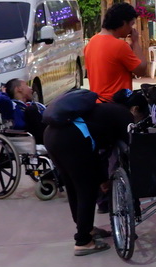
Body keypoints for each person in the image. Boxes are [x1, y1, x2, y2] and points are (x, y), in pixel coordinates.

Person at [43, 97, 134, 256]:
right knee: (86, 190)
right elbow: (110, 151)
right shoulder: (126, 117)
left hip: (51, 136)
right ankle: (83, 241)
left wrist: (102, 178)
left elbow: (99, 151)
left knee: (72, 185)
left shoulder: (105, 111)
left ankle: (87, 229)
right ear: (135, 109)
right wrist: (103, 179)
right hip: (72, 138)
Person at [85, 2, 146, 103]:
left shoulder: (91, 42)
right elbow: (141, 70)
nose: (131, 29)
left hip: (97, 102)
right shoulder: (120, 46)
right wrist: (135, 42)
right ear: (123, 23)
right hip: (116, 103)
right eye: (131, 24)